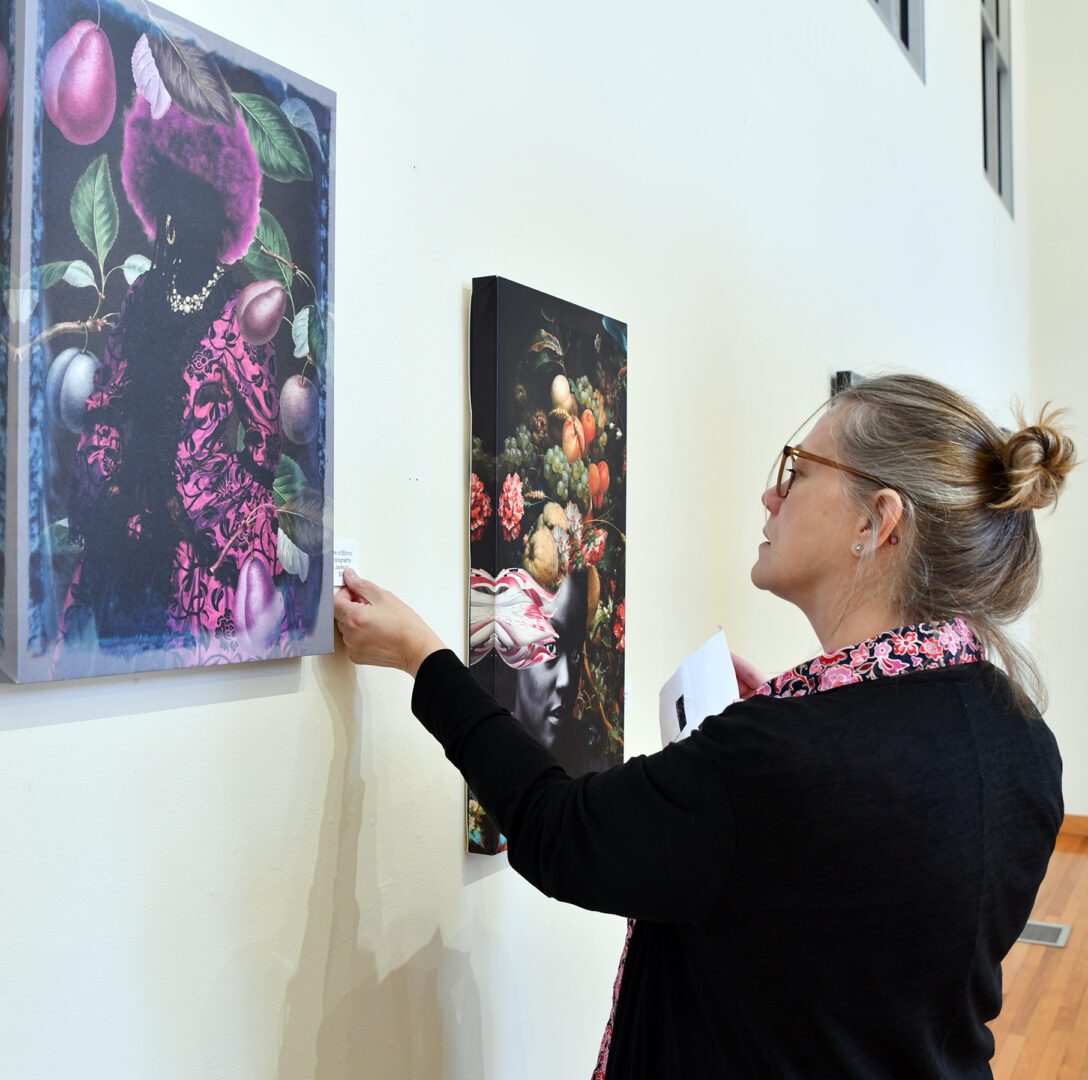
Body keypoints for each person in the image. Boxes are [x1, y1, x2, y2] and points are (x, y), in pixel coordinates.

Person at [334, 373, 1074, 1077]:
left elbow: (560, 831)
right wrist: (775, 736)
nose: (769, 495)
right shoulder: (1024, 745)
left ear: (875, 521)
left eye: (797, 472)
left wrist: (421, 658)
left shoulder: (782, 761)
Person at [55, 96, 287, 672]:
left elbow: (263, 441)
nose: (182, 220)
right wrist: (108, 482)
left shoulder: (239, 312)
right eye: (174, 201)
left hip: (197, 547)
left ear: (222, 212)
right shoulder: (142, 295)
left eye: (198, 201)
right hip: (122, 523)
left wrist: (215, 507)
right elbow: (108, 398)